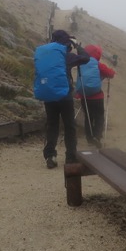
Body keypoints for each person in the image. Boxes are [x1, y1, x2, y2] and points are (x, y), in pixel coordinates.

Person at [33, 29, 90, 169]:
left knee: (52, 125)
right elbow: (86, 58)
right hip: (65, 96)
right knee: (70, 126)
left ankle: (50, 155)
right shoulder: (66, 56)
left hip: (49, 95)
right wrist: (77, 46)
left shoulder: (45, 54)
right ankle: (70, 157)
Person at [74, 44, 116, 148]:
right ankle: (97, 137)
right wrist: (111, 72)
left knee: (88, 117)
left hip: (83, 95)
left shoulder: (81, 63)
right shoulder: (97, 64)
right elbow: (110, 73)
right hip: (97, 97)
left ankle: (89, 139)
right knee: (99, 117)